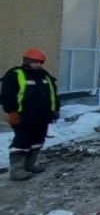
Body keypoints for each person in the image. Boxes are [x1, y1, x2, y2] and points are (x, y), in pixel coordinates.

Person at [1, 48, 59, 181]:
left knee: (37, 141)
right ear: (27, 61)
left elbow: (53, 95)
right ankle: (17, 169)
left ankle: (30, 165)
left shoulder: (45, 76)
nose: (38, 65)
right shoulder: (15, 74)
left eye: (40, 62)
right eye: (35, 62)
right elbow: (7, 96)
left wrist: (55, 109)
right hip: (23, 117)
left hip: (42, 117)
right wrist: (12, 112)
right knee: (22, 142)